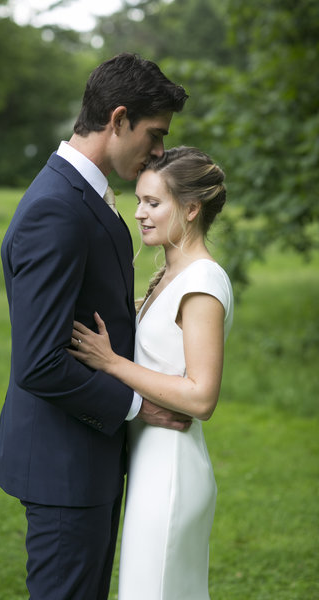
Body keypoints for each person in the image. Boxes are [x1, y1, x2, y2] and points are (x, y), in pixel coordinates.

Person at [0, 53, 189, 600]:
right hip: (64, 467)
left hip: (85, 460)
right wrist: (138, 407)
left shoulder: (82, 193)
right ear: (118, 119)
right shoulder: (56, 208)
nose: (159, 150)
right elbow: (40, 361)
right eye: (154, 133)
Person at [70, 146, 234, 599]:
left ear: (192, 207)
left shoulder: (201, 284)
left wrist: (111, 363)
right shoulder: (169, 273)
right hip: (148, 463)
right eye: (138, 200)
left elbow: (201, 397)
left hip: (172, 472)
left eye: (153, 203)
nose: (140, 213)